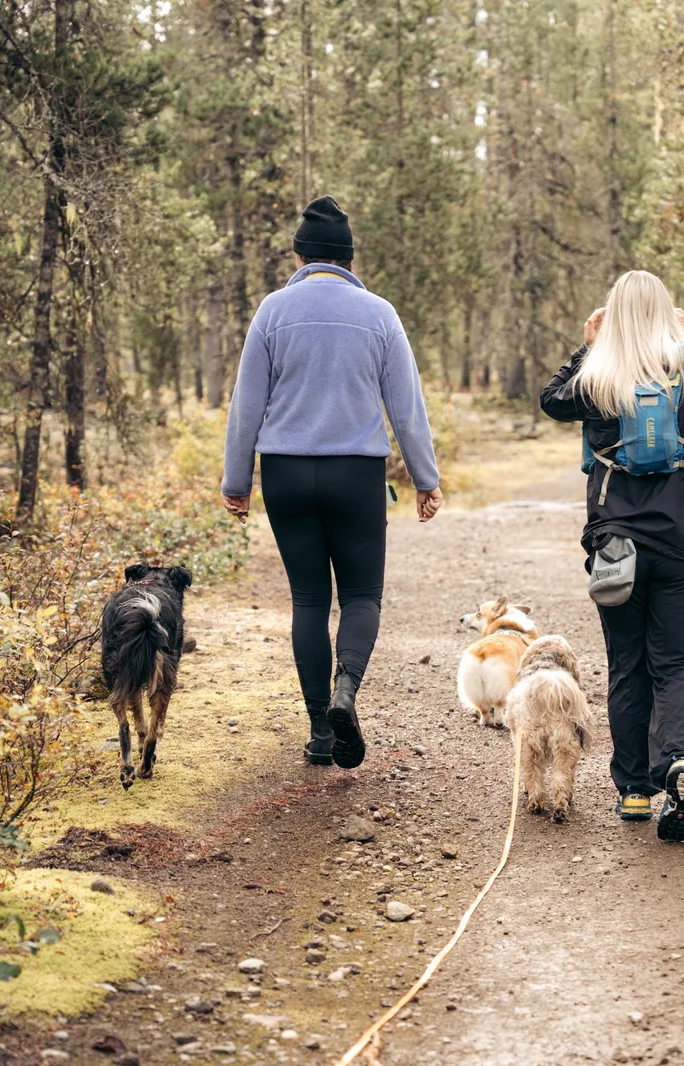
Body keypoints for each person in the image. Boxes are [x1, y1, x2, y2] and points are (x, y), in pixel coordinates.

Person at [221, 196, 444, 771]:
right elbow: (407, 407)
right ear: (348, 258)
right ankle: (347, 689)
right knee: (362, 596)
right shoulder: (379, 313)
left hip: (286, 473)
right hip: (356, 474)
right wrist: (425, 478)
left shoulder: (273, 310)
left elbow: (247, 403)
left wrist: (237, 479)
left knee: (308, 601)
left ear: (300, 254)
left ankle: (321, 731)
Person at [540, 270, 684, 842]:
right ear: (668, 312)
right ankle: (677, 756)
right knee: (677, 663)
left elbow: (551, 399)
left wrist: (587, 343)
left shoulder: (598, 375)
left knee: (626, 662)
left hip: (615, 541)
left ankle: (633, 788)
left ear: (612, 316)